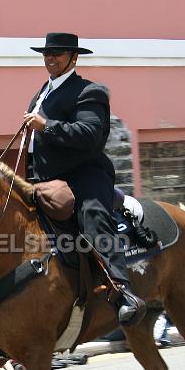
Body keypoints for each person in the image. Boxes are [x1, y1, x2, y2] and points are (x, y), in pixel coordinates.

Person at [23, 32, 144, 325]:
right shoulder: (41, 93)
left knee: (92, 213)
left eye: (57, 53)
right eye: (46, 53)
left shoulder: (90, 91)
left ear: (74, 58)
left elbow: (90, 135)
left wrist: (46, 125)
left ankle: (121, 289)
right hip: (43, 179)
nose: (50, 58)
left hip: (83, 174)